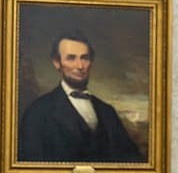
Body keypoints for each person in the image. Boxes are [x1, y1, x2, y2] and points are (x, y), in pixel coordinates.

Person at [18, 30, 144, 162]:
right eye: (71, 58)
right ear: (57, 63)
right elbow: (31, 167)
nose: (80, 66)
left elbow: (132, 162)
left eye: (85, 58)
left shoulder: (108, 112)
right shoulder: (37, 112)